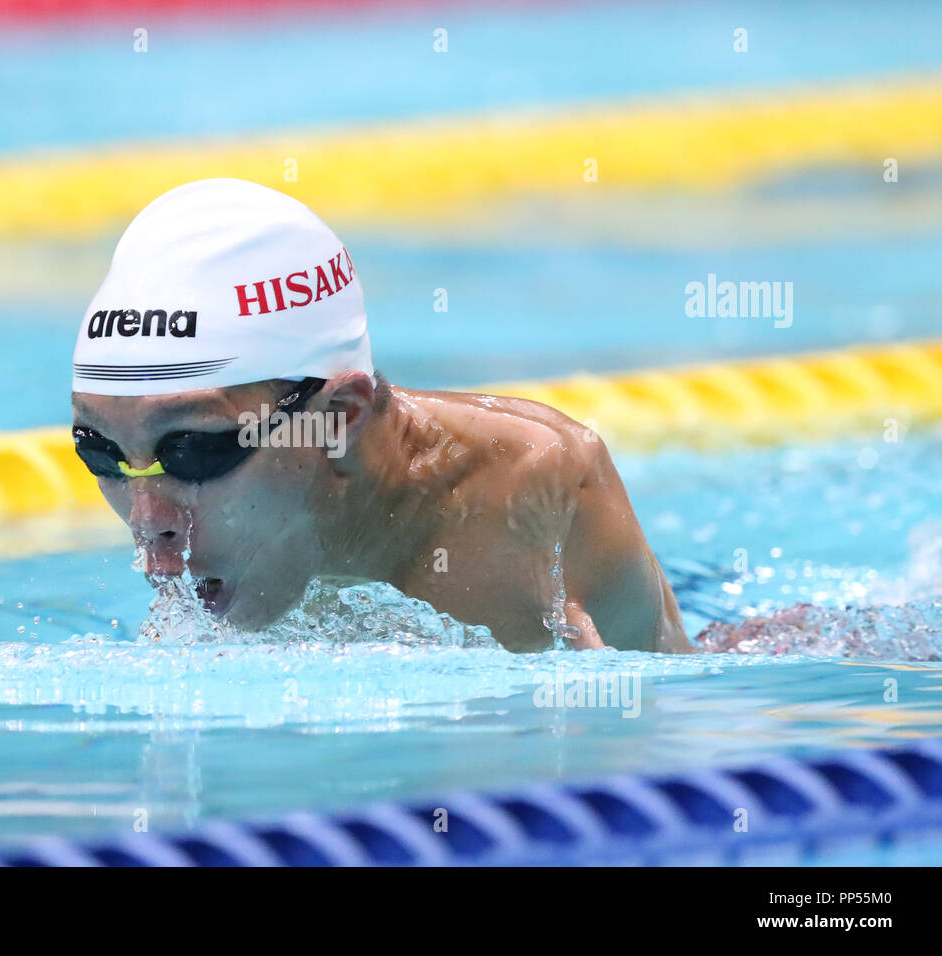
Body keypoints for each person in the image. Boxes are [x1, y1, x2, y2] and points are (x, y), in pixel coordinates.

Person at [70, 178, 690, 652]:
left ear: (339, 418)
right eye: (103, 454)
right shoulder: (235, 535)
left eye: (193, 451)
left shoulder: (522, 501)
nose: (150, 524)